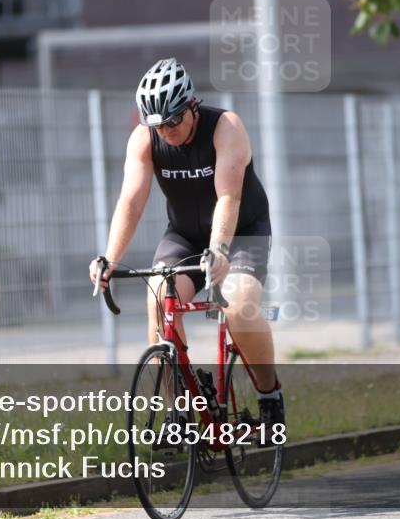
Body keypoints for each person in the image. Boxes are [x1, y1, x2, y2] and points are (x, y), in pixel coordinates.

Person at [89, 57, 283, 429]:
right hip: (185, 235)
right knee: (160, 299)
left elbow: (228, 197)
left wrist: (221, 251)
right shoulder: (146, 140)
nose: (167, 131)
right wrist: (110, 258)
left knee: (239, 306)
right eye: (158, 125)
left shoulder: (225, 127)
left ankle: (269, 395)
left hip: (241, 231)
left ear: (192, 106)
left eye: (174, 120)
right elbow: (130, 201)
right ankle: (179, 409)